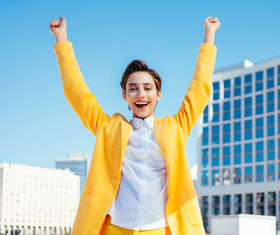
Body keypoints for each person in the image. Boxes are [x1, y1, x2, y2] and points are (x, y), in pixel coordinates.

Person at [49, 16, 220, 235]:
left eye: (148, 88)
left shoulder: (175, 128)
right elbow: (77, 94)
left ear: (158, 95)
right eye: (133, 88)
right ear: (124, 95)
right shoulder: (109, 128)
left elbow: (199, 90)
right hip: (115, 227)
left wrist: (209, 36)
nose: (141, 94)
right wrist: (61, 39)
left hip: (161, 228)